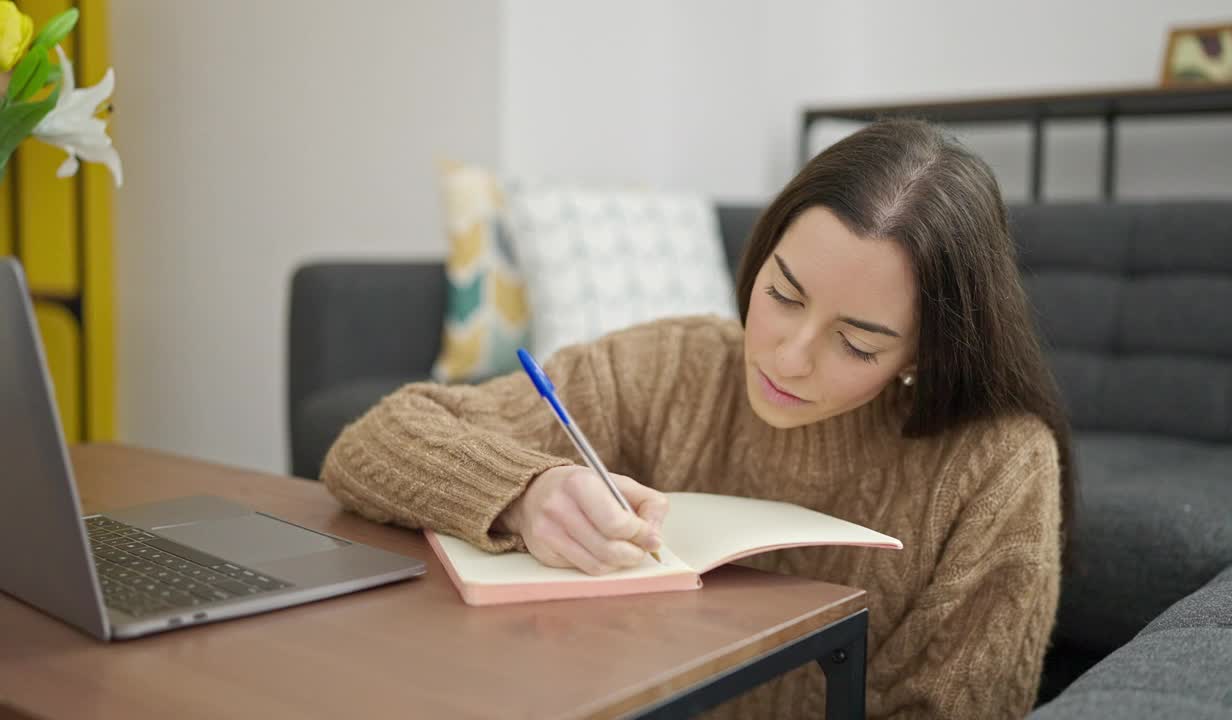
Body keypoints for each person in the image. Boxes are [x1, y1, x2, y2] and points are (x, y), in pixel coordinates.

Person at [321, 118, 1074, 720]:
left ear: (925, 351)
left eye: (855, 341)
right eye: (782, 294)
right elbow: (371, 445)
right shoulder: (674, 365)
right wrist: (527, 490)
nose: (788, 356)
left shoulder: (1000, 465)